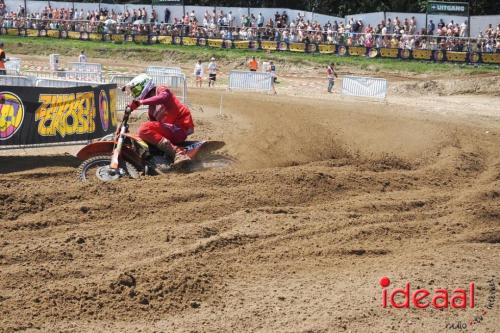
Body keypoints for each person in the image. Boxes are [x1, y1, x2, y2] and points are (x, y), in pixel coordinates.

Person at [123, 74, 194, 167]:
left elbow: (164, 97)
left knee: (144, 128)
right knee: (141, 135)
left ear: (143, 85)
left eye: (135, 90)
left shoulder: (161, 89)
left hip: (180, 127)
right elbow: (153, 130)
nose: (134, 94)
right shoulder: (151, 110)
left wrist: (140, 102)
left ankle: (178, 153)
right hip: (170, 132)